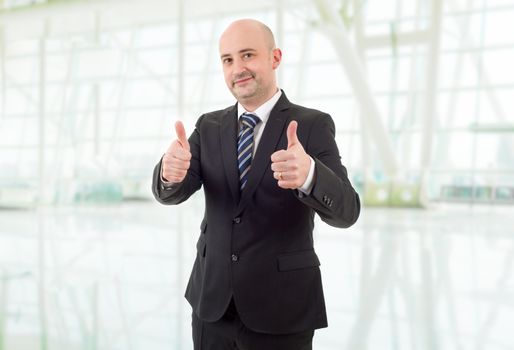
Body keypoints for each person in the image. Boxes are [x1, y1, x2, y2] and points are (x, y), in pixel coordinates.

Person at [152, 18, 360, 350]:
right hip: (212, 305)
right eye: (228, 59)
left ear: (274, 58)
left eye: (248, 55)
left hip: (282, 309)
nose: (237, 68)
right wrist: (169, 172)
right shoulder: (208, 126)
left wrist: (310, 174)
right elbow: (173, 190)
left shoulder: (311, 125)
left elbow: (348, 211)